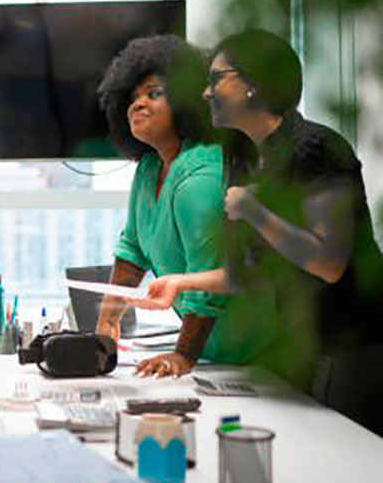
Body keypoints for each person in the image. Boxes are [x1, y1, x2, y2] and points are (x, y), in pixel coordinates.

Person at [136, 30, 383, 433]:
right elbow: (252, 272)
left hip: (352, 347)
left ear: (252, 84)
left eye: (216, 79)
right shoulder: (249, 161)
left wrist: (254, 210)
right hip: (304, 347)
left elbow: (329, 264)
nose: (205, 92)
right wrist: (181, 283)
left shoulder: (317, 147)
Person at [93, 35, 272, 377]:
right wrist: (106, 323)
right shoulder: (149, 168)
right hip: (214, 357)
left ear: (186, 102)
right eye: (132, 97)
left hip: (256, 356)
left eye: (154, 93)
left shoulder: (199, 176)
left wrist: (183, 355)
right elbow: (132, 251)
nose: (137, 104)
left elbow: (206, 271)